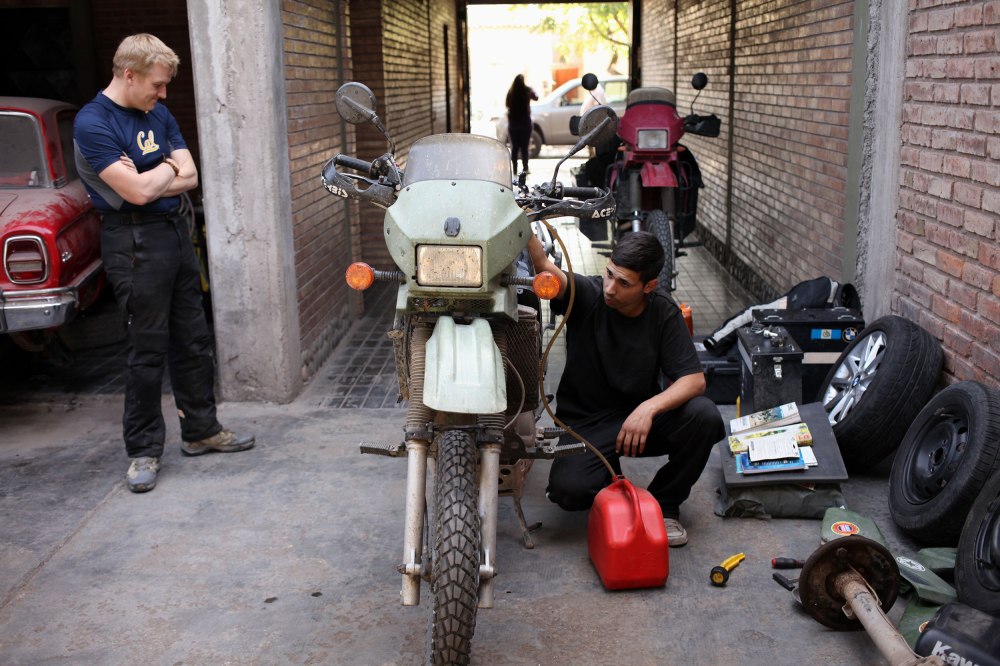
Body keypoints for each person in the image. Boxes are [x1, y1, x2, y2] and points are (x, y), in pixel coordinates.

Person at [74, 33, 254, 493]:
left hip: (175, 233)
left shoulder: (158, 112)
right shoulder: (94, 123)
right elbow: (134, 193)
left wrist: (162, 175)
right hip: (133, 241)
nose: (163, 94)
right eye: (157, 84)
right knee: (145, 351)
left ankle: (200, 431)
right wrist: (169, 170)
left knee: (194, 338)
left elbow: (191, 175)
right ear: (128, 74)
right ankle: (143, 451)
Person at [526, 231, 724, 546]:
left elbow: (694, 379)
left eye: (624, 283)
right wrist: (520, 218)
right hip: (586, 422)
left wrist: (649, 408)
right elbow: (543, 265)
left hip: (639, 421)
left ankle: (664, 503)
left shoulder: (662, 312)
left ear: (649, 286)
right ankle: (607, 476)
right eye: (609, 274)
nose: (610, 288)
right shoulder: (589, 294)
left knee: (705, 416)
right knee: (569, 491)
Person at [505, 74, 538, 175]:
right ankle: (525, 168)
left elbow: (507, 104)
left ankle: (514, 169)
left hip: (513, 124)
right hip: (525, 124)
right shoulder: (527, 90)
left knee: (514, 147)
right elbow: (536, 97)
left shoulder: (511, 92)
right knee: (524, 147)